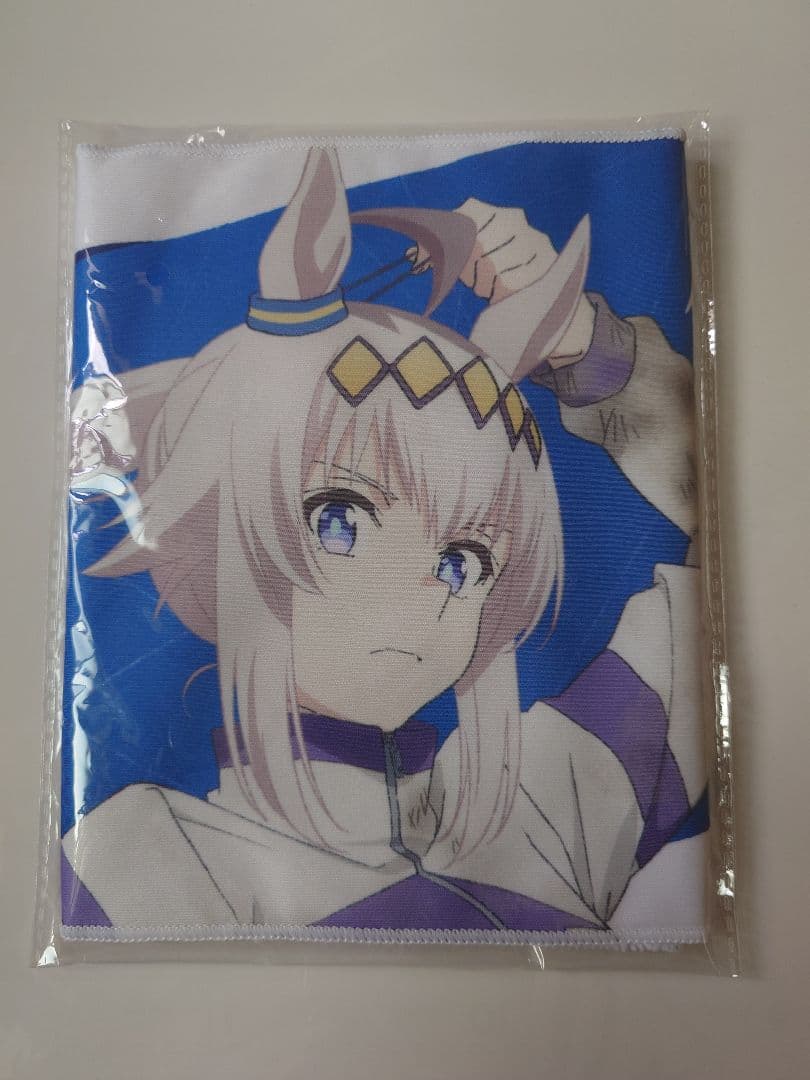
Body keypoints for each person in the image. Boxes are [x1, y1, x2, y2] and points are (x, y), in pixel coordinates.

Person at [62, 148, 705, 941]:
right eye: (340, 520)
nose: (421, 596)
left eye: (464, 563)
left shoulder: (556, 798)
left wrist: (590, 346)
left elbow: (732, 580)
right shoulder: (142, 861)